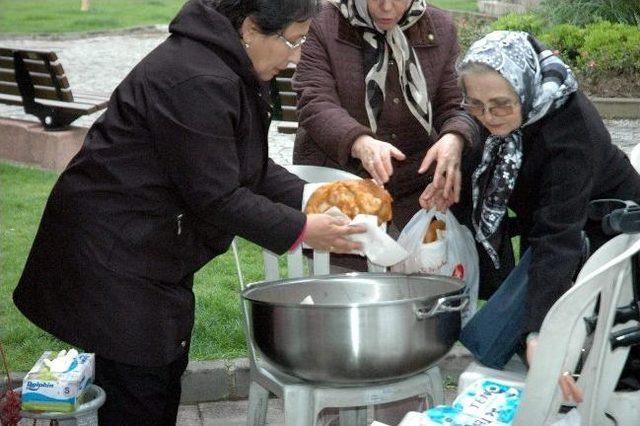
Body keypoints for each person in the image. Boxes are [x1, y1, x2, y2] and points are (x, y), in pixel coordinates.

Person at [12, 0, 366, 424]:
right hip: (114, 256)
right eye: (293, 41)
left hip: (148, 250)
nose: (294, 57)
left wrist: (316, 196)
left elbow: (245, 165)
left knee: (159, 377)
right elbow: (216, 197)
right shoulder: (196, 78)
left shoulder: (223, 63)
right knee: (140, 393)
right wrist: (304, 229)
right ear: (251, 28)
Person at [422, 30, 640, 403]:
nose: (488, 117)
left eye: (501, 105)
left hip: (611, 238)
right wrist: (455, 157)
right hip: (557, 227)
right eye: (476, 104)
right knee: (498, 339)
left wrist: (539, 333)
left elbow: (557, 238)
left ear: (525, 90)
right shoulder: (502, 113)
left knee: (590, 367)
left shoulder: (571, 132)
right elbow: (478, 145)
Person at [292, 0, 479, 246]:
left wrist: (453, 138)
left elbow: (457, 104)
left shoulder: (440, 26)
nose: (387, 7)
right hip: (344, 188)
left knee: (420, 280)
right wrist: (359, 142)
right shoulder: (323, 22)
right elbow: (314, 99)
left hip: (420, 193)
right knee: (349, 281)